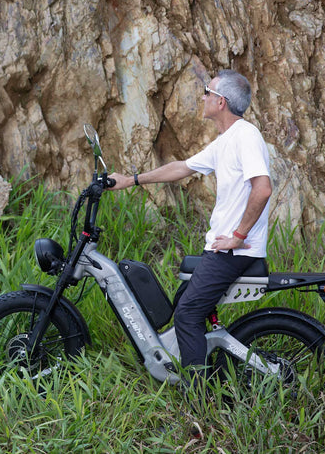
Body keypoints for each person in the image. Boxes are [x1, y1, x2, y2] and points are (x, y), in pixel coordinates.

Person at [109, 69, 272, 380]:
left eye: (207, 93)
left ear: (221, 102)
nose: (203, 97)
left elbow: (262, 188)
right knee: (184, 300)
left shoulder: (246, 136)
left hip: (233, 252)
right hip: (221, 248)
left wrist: (238, 237)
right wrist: (130, 180)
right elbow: (182, 168)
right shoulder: (227, 140)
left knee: (187, 315)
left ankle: (199, 397)